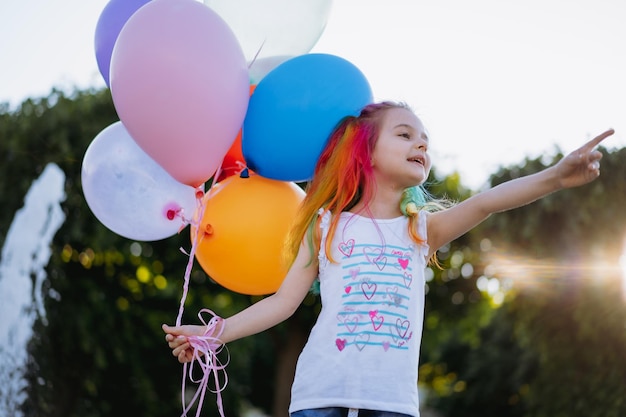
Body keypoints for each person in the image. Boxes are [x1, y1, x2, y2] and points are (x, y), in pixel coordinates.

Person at [163, 101, 614, 417]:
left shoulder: (421, 230)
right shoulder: (324, 224)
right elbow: (282, 303)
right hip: (319, 396)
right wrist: (214, 333)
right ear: (366, 151)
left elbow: (488, 202)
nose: (421, 145)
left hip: (393, 404)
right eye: (404, 134)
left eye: (425, 140)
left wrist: (554, 178)